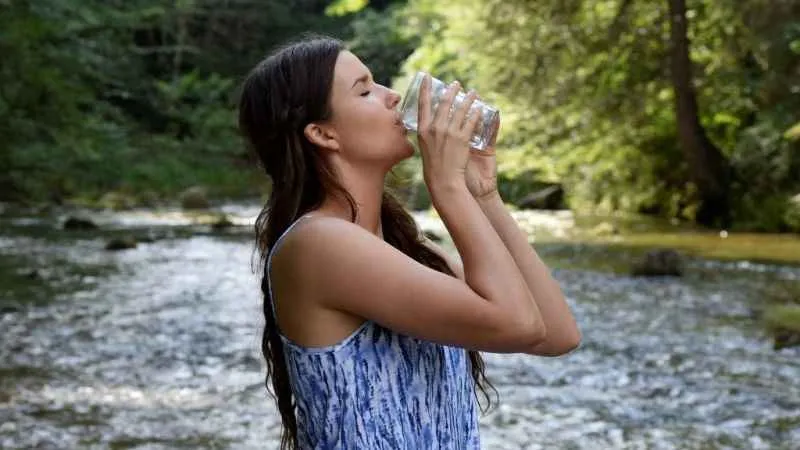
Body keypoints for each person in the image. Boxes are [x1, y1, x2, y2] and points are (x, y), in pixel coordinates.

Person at [238, 36, 581, 450]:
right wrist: (448, 187)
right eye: (365, 90)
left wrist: (484, 194)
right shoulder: (318, 243)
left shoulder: (403, 248)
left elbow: (556, 333)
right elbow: (518, 325)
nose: (392, 97)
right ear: (323, 134)